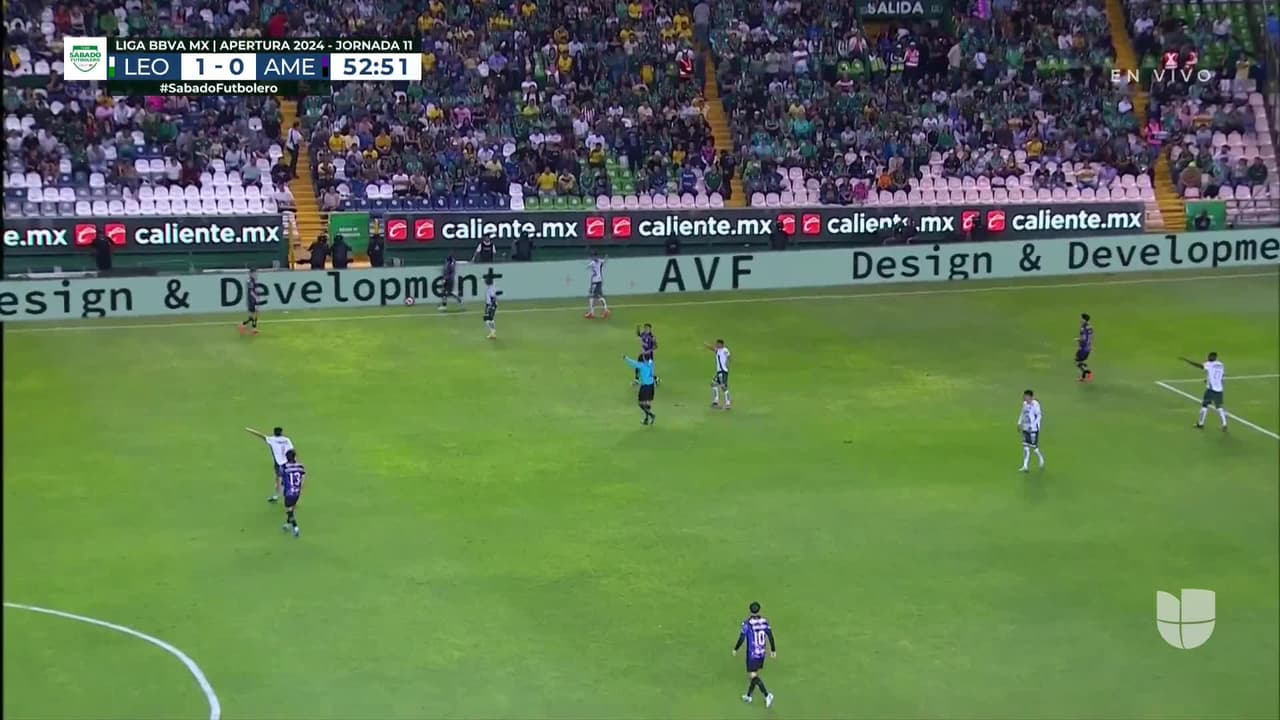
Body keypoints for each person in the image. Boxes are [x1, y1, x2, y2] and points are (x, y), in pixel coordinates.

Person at [732, 601, 775, 707]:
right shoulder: (765, 622)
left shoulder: (748, 624)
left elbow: (742, 638)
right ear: (759, 610)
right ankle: (748, 696)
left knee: (753, 676)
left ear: (750, 611)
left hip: (752, 654)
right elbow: (770, 636)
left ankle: (767, 695)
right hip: (761, 653)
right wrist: (773, 650)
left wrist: (735, 649)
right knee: (754, 674)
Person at [1181, 353, 1228, 431]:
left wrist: (1188, 361)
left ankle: (1201, 423)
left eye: (1210, 357)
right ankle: (1224, 424)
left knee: (1204, 405)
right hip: (1219, 389)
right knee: (1219, 407)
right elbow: (1221, 375)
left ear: (1213, 357)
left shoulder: (1209, 364)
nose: (1209, 358)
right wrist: (1208, 380)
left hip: (1210, 389)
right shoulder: (1221, 364)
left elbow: (1199, 366)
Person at [245, 426, 294, 502]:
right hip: (288, 461)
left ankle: (277, 495)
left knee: (278, 478)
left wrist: (249, 430)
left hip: (278, 462)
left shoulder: (271, 439)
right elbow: (291, 450)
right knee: (287, 478)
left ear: (274, 432)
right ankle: (288, 493)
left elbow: (260, 435)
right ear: (281, 432)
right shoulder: (287, 439)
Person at [277, 449, 305, 538]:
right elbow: (303, 479)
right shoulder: (300, 466)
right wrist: (301, 490)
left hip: (289, 492)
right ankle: (287, 524)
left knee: (289, 510)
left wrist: (279, 489)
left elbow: (280, 479)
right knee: (291, 508)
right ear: (294, 457)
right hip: (297, 492)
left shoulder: (284, 467)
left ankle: (295, 527)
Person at [623, 354, 657, 424]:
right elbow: (652, 373)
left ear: (644, 359)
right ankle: (646, 419)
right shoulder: (651, 364)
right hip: (651, 386)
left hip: (645, 387)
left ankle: (652, 415)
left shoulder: (641, 365)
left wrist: (626, 358)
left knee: (641, 404)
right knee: (647, 403)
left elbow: (633, 363)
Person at [1018, 390, 1045, 472]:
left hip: (1033, 429)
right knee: (1026, 447)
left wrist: (1032, 425)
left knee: (1034, 448)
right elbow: (1022, 413)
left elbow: (1039, 416)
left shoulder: (1035, 404)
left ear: (1030, 397)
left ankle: (1041, 459)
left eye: (1026, 396)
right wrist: (1019, 423)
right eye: (1024, 396)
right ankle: (1025, 466)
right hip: (1025, 428)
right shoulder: (1024, 404)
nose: (1024, 397)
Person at [705, 339, 732, 409]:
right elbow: (713, 349)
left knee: (723, 386)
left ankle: (728, 403)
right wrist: (707, 345)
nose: (716, 345)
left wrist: (727, 363)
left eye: (718, 344)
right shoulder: (719, 350)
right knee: (713, 383)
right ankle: (716, 401)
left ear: (721, 344)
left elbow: (728, 356)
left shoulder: (724, 350)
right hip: (719, 371)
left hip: (723, 371)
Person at [585, 251, 610, 319]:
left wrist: (605, 257)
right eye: (593, 256)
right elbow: (604, 261)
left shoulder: (595, 262)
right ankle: (605, 310)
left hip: (596, 281)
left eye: (594, 256)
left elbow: (587, 267)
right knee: (598, 296)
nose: (594, 258)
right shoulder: (596, 262)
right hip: (596, 281)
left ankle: (593, 313)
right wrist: (606, 257)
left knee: (592, 297)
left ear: (596, 256)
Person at [239, 268, 261, 335]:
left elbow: (253, 290)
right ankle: (253, 329)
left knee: (253, 315)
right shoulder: (250, 281)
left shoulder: (252, 280)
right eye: (255, 273)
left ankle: (243, 324)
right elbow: (251, 291)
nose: (256, 274)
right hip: (252, 300)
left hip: (252, 299)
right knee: (254, 314)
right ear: (251, 274)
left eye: (256, 273)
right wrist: (256, 298)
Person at [1074, 313, 1094, 382]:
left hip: (1083, 347)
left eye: (1081, 318)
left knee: (1077, 362)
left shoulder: (1083, 328)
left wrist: (1078, 339)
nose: (1080, 320)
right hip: (1088, 347)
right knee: (1081, 362)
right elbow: (1090, 337)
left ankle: (1089, 372)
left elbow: (1084, 338)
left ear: (1084, 319)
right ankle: (1083, 378)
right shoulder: (1090, 327)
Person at [484, 275, 498, 339]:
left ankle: (493, 332)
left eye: (486, 281)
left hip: (491, 305)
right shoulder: (491, 287)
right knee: (488, 319)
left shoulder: (491, 289)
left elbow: (493, 297)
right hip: (489, 304)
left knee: (489, 319)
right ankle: (492, 332)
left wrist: (491, 306)